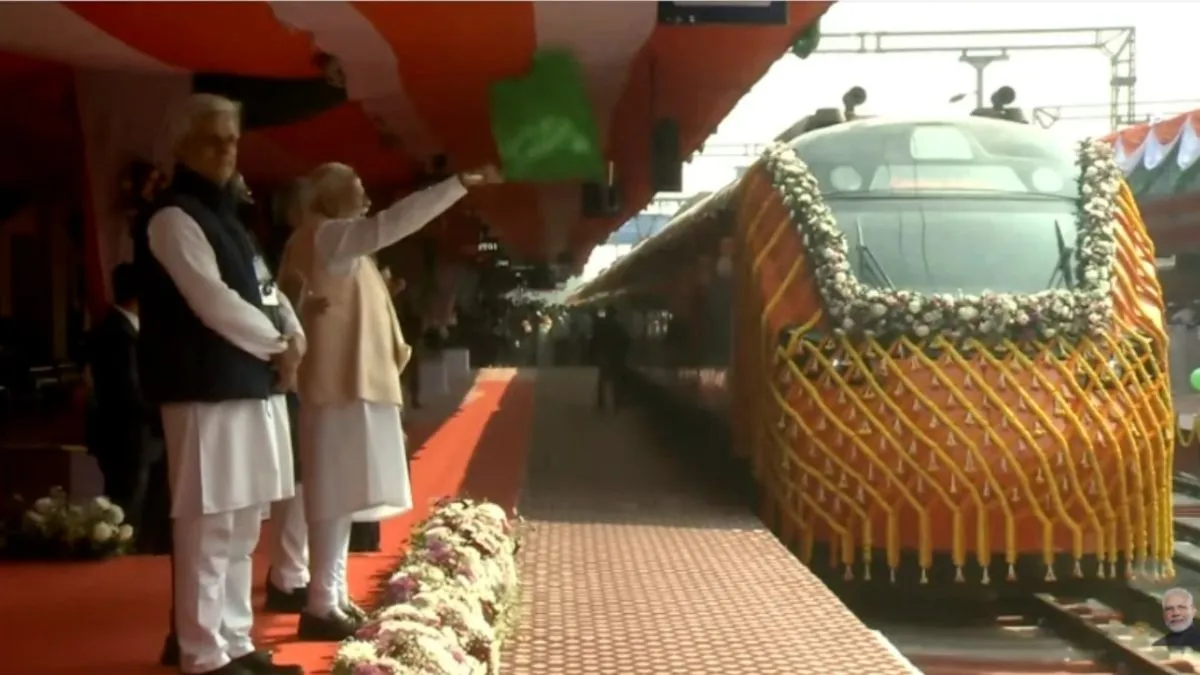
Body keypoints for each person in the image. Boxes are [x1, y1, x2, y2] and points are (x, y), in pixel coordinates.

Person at [279, 161, 500, 641]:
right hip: (339, 385)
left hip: (345, 385)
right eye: (356, 189)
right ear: (328, 198)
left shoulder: (323, 239)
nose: (365, 198)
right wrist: (456, 185)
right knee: (332, 494)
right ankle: (321, 603)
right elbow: (391, 224)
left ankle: (331, 595)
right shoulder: (328, 236)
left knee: (338, 495)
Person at [135, 92, 304, 675]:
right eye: (213, 140)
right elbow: (212, 301)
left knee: (242, 525)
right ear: (181, 147)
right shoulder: (173, 217)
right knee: (208, 526)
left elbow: (267, 289)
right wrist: (280, 345)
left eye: (232, 139)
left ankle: (235, 641)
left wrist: (295, 332)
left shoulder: (232, 220)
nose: (228, 150)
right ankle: (203, 652)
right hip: (203, 390)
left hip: (252, 384)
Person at [85, 263, 169, 553]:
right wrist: (163, 413)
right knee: (127, 507)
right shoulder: (117, 333)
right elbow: (129, 391)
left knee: (146, 508)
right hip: (127, 438)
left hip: (142, 436)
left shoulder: (128, 329)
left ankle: (142, 552)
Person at [591, 305, 630, 411]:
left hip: (604, 354)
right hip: (615, 355)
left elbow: (595, 340)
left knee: (603, 379)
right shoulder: (619, 326)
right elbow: (626, 340)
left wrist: (594, 353)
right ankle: (617, 403)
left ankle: (601, 402)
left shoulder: (601, 325)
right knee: (616, 380)